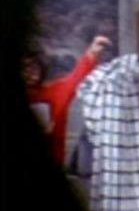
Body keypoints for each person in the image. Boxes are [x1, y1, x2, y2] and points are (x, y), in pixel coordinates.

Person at [25, 34, 111, 165]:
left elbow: (76, 79)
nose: (29, 73)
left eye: (33, 67)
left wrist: (92, 52)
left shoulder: (53, 93)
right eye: (24, 68)